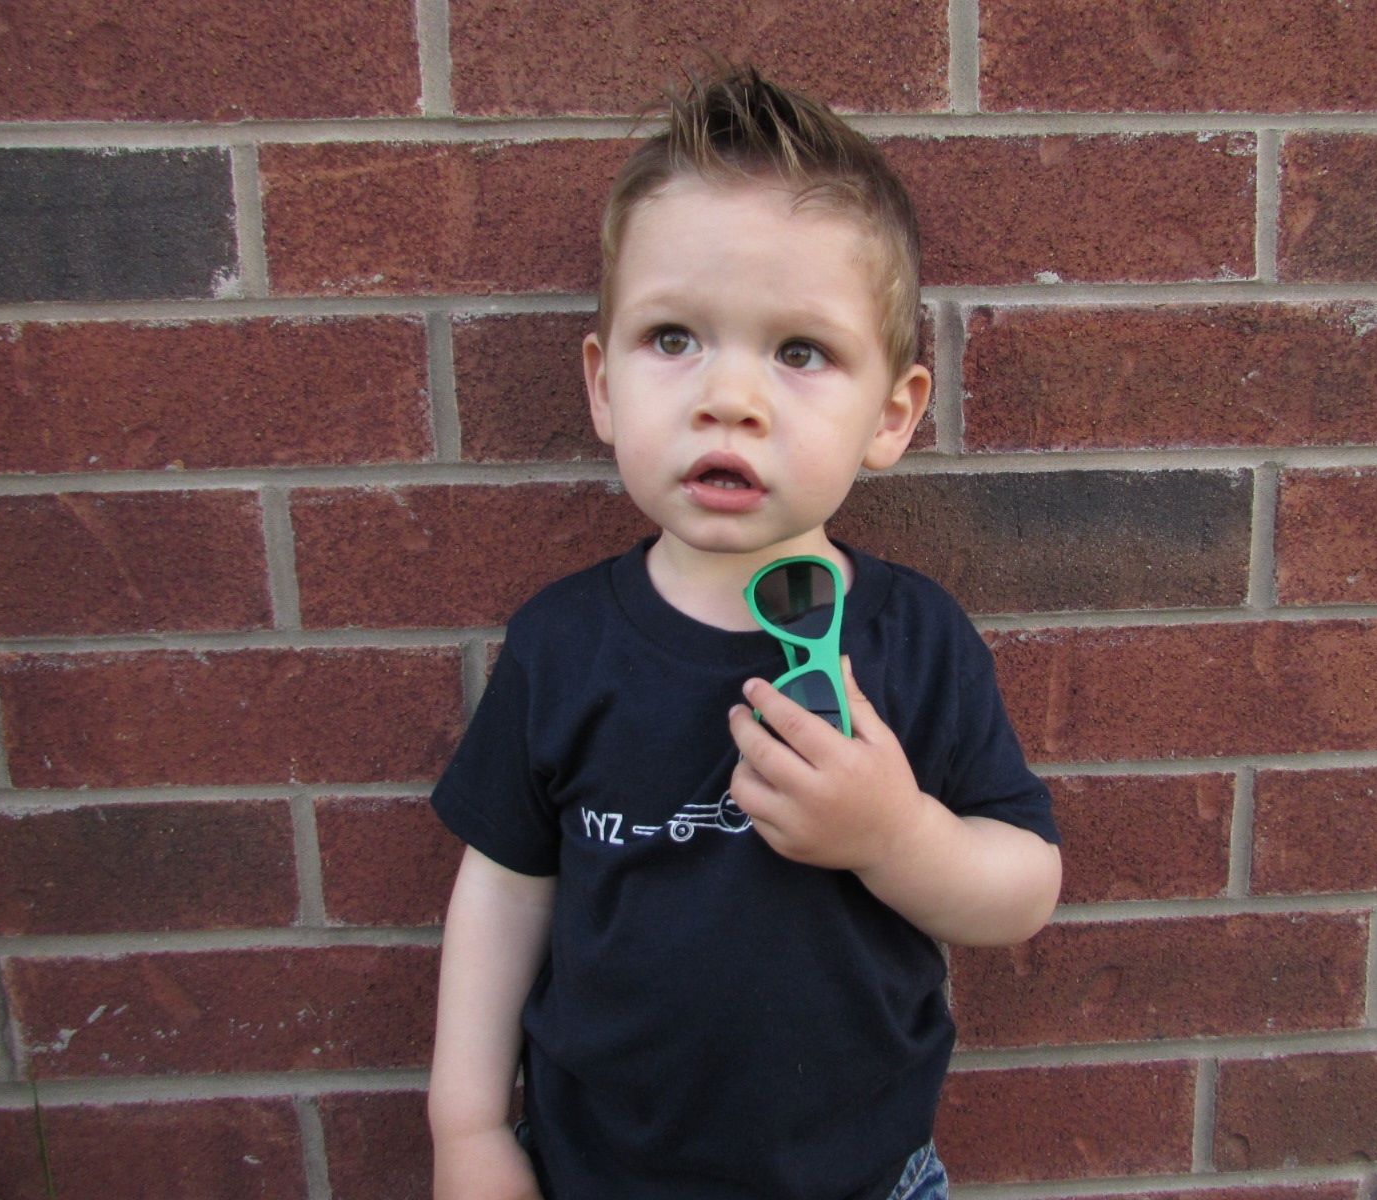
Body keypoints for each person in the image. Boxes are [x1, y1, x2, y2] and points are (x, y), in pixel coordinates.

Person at [426, 67, 1063, 1200]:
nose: (729, 397)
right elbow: (507, 888)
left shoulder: (916, 640)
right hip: (598, 1176)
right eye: (673, 337)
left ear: (892, 415)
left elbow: (1023, 887)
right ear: (603, 386)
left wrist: (892, 836)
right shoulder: (562, 647)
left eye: (799, 352)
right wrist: (467, 1129)